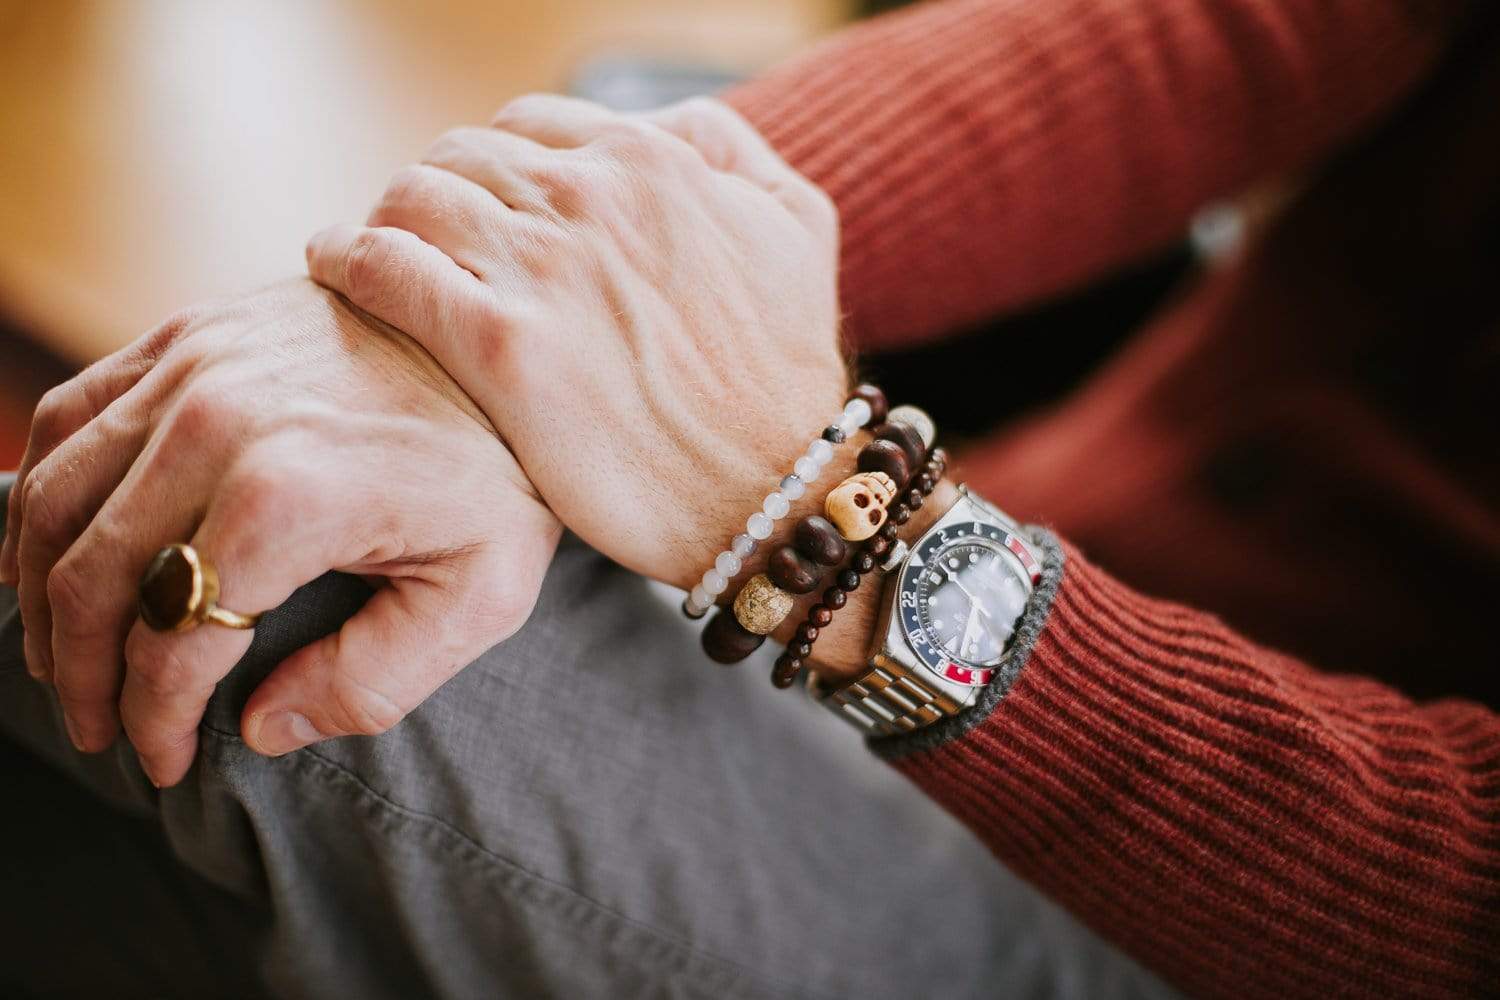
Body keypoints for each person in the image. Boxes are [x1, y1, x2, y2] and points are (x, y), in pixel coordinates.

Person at [1, 0, 1496, 996]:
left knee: (293, 609)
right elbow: (1189, 39)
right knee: (254, 499)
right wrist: (506, 335)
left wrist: (819, 516)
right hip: (989, 570)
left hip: (1234, 920)